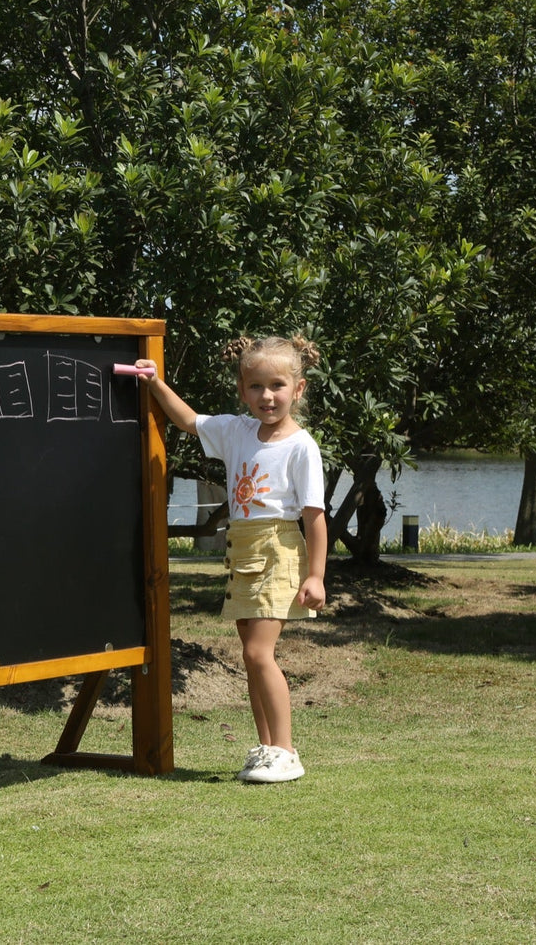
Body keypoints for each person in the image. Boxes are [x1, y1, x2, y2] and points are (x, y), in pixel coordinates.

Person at [135, 335, 327, 783]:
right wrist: (154, 383)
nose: (267, 396)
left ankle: (286, 751)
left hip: (278, 548)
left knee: (261, 652)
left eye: (278, 385)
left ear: (298, 390)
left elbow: (315, 517)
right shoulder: (236, 431)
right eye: (256, 386)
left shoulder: (302, 447)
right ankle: (266, 749)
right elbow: (186, 420)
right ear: (242, 390)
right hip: (242, 547)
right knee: (250, 655)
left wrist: (316, 575)